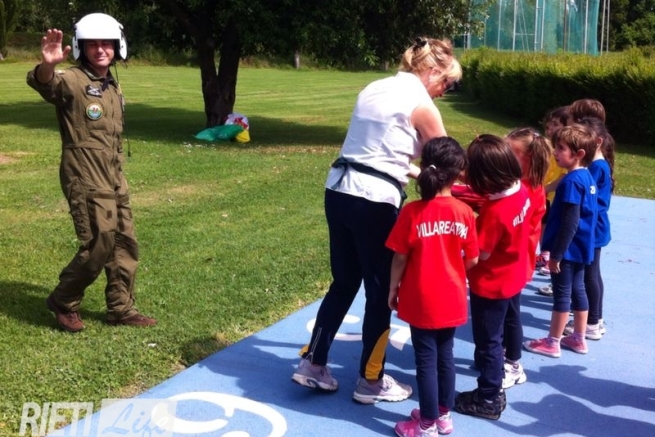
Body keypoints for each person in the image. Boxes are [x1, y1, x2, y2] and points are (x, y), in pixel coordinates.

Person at [291, 37, 462, 404]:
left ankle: (313, 363)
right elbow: (447, 163)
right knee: (381, 292)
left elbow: (383, 153)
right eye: (447, 83)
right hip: (374, 200)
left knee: (343, 283)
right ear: (432, 71)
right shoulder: (422, 104)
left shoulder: (375, 87)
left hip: (338, 188)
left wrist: (415, 172)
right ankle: (371, 380)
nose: (444, 92)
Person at [27, 13, 156, 332]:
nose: (100, 50)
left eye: (106, 44)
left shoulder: (110, 85)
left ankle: (121, 308)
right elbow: (46, 84)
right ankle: (64, 300)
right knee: (99, 242)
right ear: (81, 48)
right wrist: (47, 65)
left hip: (113, 175)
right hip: (85, 175)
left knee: (124, 242)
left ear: (117, 46)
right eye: (92, 44)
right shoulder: (73, 79)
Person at [386, 137, 478, 437]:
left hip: (421, 297)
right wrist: (454, 272)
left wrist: (392, 288)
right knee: (445, 355)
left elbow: (400, 257)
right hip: (452, 296)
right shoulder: (464, 212)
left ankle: (426, 424)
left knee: (426, 360)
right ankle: (442, 414)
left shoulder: (413, 212)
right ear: (458, 172)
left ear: (425, 167)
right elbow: (473, 258)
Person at [454, 135, 530, 421]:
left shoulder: (495, 213)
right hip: (512, 274)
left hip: (491, 284)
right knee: (498, 336)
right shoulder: (520, 190)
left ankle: (488, 396)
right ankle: (494, 385)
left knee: (488, 342)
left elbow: (480, 254)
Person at [523, 124, 599, 358]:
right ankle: (578, 337)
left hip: (567, 250)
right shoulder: (586, 177)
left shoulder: (571, 182)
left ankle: (553, 341)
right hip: (582, 247)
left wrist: (556, 255)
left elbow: (570, 222)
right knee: (578, 289)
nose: (555, 152)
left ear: (579, 154)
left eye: (561, 148)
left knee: (562, 294)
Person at [502, 127, 552, 389]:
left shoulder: (524, 189)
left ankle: (512, 363)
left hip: (515, 261)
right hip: (516, 260)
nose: (505, 157)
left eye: (511, 153)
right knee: (505, 313)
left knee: (510, 313)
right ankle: (501, 356)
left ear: (528, 158)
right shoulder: (527, 185)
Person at [562, 117, 615, 339]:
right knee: (592, 275)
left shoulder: (596, 168)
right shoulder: (597, 165)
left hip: (593, 228)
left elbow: (590, 200)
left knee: (589, 276)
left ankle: (592, 322)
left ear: (597, 142)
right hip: (594, 226)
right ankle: (596, 319)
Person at [535, 106, 569, 283]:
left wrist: (546, 188)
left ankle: (553, 259)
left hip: (555, 196)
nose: (550, 130)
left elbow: (563, 175)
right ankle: (545, 255)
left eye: (555, 125)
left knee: (555, 229)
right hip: (546, 195)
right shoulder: (548, 146)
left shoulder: (565, 151)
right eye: (548, 126)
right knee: (543, 225)